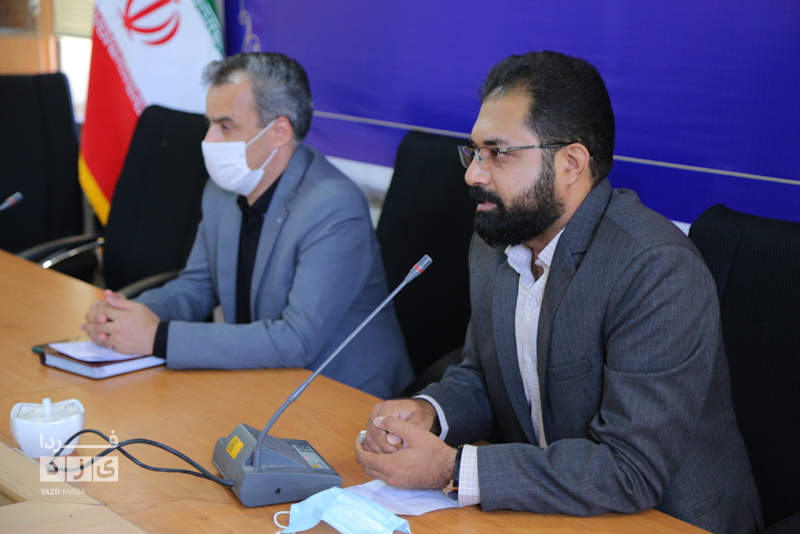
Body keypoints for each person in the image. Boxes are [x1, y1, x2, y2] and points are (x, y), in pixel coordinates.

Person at [355, 51, 762, 534]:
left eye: (498, 153)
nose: (473, 175)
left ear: (571, 163)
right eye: (474, 152)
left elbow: (630, 469)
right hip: (551, 508)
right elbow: (485, 376)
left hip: (667, 519)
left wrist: (451, 468)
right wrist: (430, 412)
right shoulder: (496, 242)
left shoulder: (655, 267)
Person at [82, 52, 413, 399]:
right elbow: (196, 287)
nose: (208, 141)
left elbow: (295, 341)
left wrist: (157, 337)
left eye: (225, 127)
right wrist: (125, 315)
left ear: (279, 132)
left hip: (346, 396)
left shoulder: (334, 207)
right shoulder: (221, 192)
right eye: (210, 124)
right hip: (262, 380)